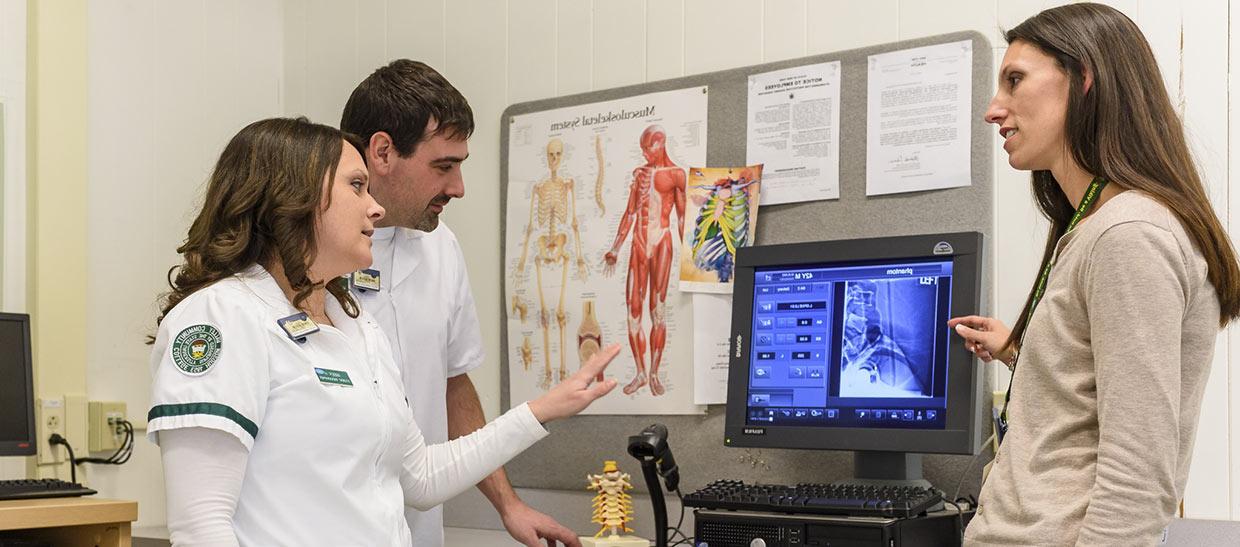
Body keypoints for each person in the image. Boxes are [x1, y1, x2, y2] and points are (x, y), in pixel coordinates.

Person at [147, 117, 621, 546]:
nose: (375, 208)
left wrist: (541, 411)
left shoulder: (356, 325)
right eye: (357, 186)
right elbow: (201, 525)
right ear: (293, 198)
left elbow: (420, 478)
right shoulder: (221, 317)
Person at [947, 4, 1240, 545]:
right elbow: (1094, 394)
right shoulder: (1099, 226)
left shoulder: (1128, 234)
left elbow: (1139, 475)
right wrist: (1021, 351)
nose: (994, 109)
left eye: (1015, 80)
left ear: (1084, 80)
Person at [339, 60, 585, 547]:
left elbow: (453, 384)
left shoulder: (440, 246)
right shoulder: (309, 258)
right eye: (443, 166)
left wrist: (507, 505)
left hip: (420, 524)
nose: (458, 187)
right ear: (383, 152)